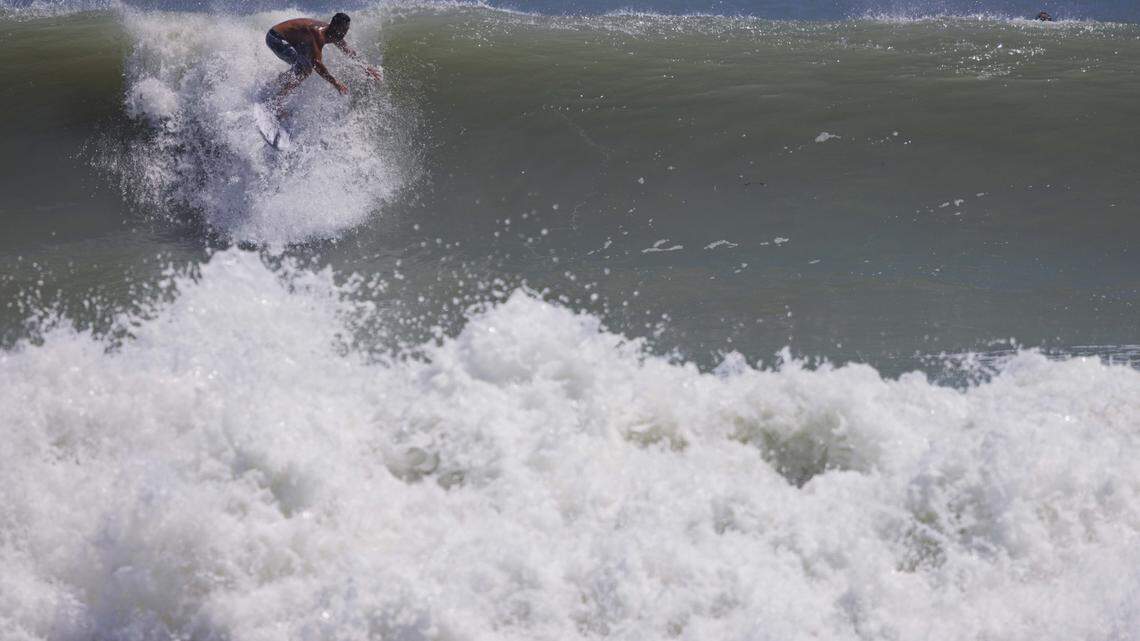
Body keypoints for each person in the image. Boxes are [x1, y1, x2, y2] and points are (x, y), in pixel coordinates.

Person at [264, 13, 382, 108]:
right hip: (276, 38)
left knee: (303, 68)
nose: (345, 33)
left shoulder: (336, 34)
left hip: (295, 41)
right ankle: (276, 103)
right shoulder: (318, 34)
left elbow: (347, 51)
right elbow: (317, 64)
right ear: (334, 26)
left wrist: (365, 66)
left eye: (347, 30)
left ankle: (274, 85)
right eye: (343, 30)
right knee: (305, 69)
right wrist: (335, 83)